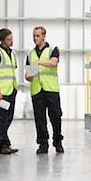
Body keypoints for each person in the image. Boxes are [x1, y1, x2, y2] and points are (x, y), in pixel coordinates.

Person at [25, 26, 64, 154]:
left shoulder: (53, 49)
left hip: (51, 89)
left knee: (56, 116)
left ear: (43, 36)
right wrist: (28, 76)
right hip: (37, 90)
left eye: (37, 35)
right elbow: (28, 74)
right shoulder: (30, 54)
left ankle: (57, 141)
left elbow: (53, 63)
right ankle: (43, 144)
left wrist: (40, 63)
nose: (35, 38)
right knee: (39, 119)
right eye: (34, 36)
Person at [0, 28, 19, 154]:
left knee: (9, 118)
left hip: (11, 90)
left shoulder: (12, 54)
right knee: (3, 119)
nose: (11, 41)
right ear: (2, 40)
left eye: (12, 38)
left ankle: (2, 144)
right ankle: (3, 145)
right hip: (2, 92)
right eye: (8, 40)